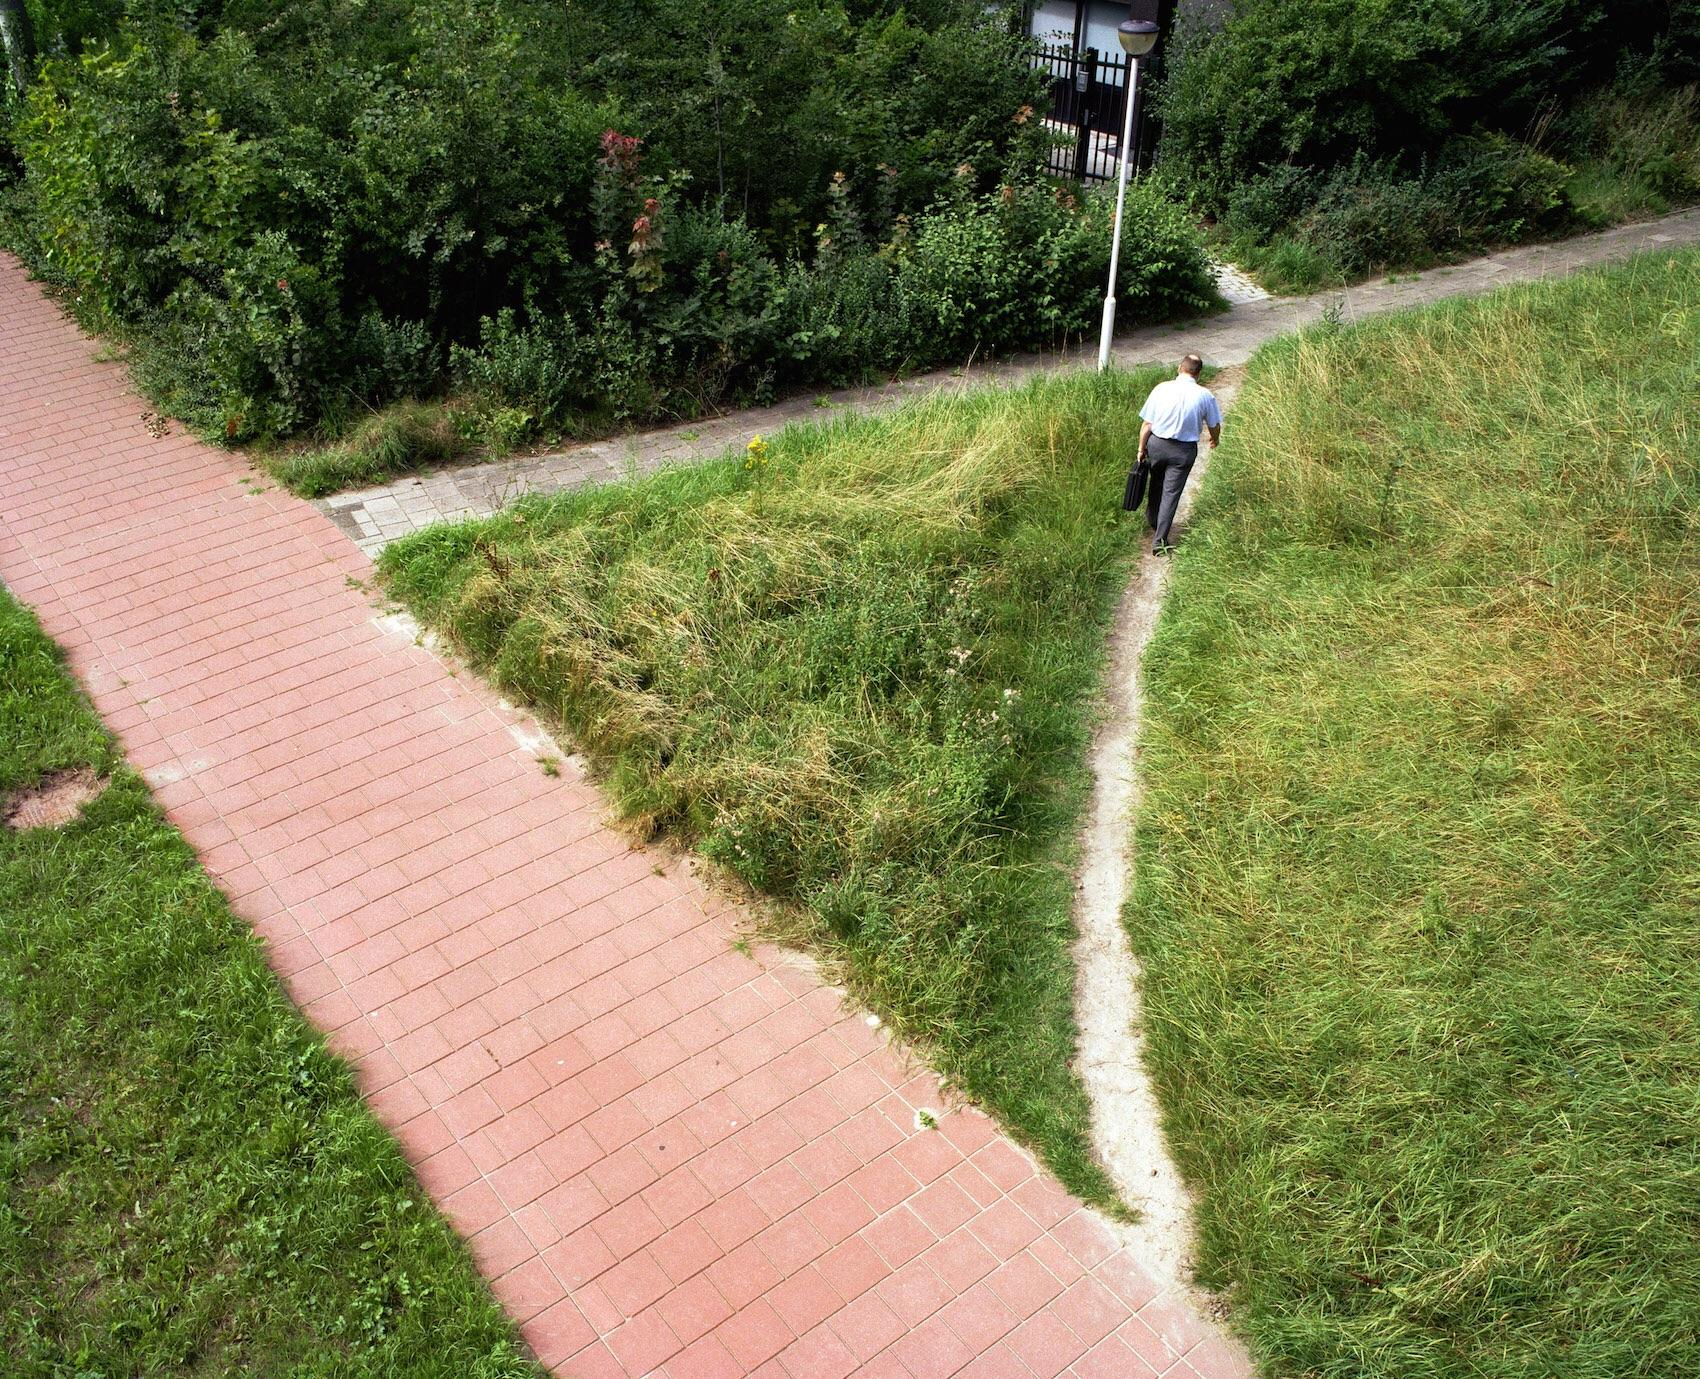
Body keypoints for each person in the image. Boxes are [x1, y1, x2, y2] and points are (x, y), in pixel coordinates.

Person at [1135, 354, 1221, 555]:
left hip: (1157, 445)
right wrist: (1215, 439)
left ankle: (1153, 519)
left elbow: (1147, 424)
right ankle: (1160, 541)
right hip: (1183, 452)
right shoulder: (1205, 395)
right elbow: (1214, 424)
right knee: (1171, 494)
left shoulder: (1161, 388)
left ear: (1178, 368)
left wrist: (1141, 448)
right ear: (1198, 373)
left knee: (1156, 483)